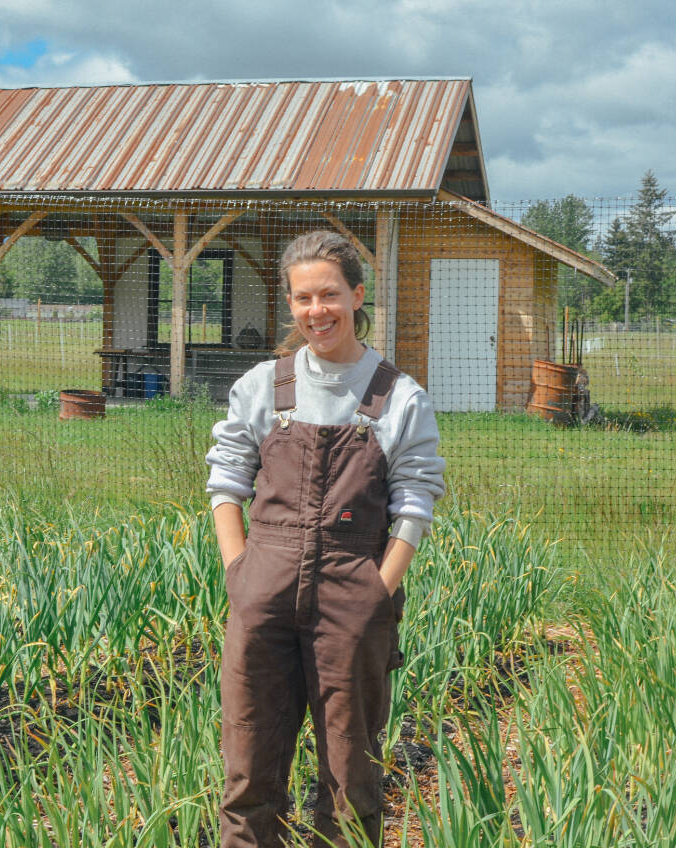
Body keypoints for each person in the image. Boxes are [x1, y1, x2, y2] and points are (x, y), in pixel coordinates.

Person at [206, 230, 445, 847]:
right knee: (249, 769)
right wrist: (241, 572)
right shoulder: (264, 385)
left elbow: (415, 502)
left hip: (351, 597)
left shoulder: (399, 397)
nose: (318, 311)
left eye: (330, 294)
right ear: (290, 303)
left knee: (350, 775)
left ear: (357, 295)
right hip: (263, 593)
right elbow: (226, 480)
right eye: (303, 298)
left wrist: (376, 588)